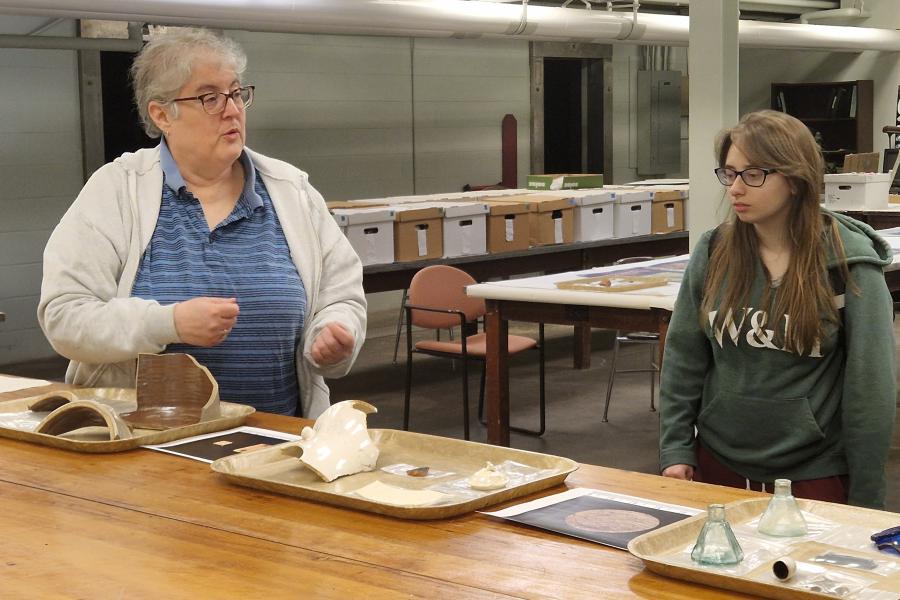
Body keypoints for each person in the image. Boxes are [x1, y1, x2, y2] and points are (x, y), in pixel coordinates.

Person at [38, 28, 366, 418]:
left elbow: (341, 295)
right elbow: (64, 315)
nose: (232, 109)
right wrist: (168, 323)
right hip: (142, 453)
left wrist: (333, 333)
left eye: (236, 92)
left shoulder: (291, 190)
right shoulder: (116, 190)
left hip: (275, 445)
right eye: (210, 97)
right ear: (162, 115)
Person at [659, 110, 896, 509]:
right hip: (718, 463)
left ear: (795, 179)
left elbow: (870, 392)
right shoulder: (714, 250)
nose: (736, 188)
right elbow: (684, 357)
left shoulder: (848, 265)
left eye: (754, 174)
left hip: (813, 472)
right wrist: (676, 450)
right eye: (730, 173)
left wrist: (867, 498)